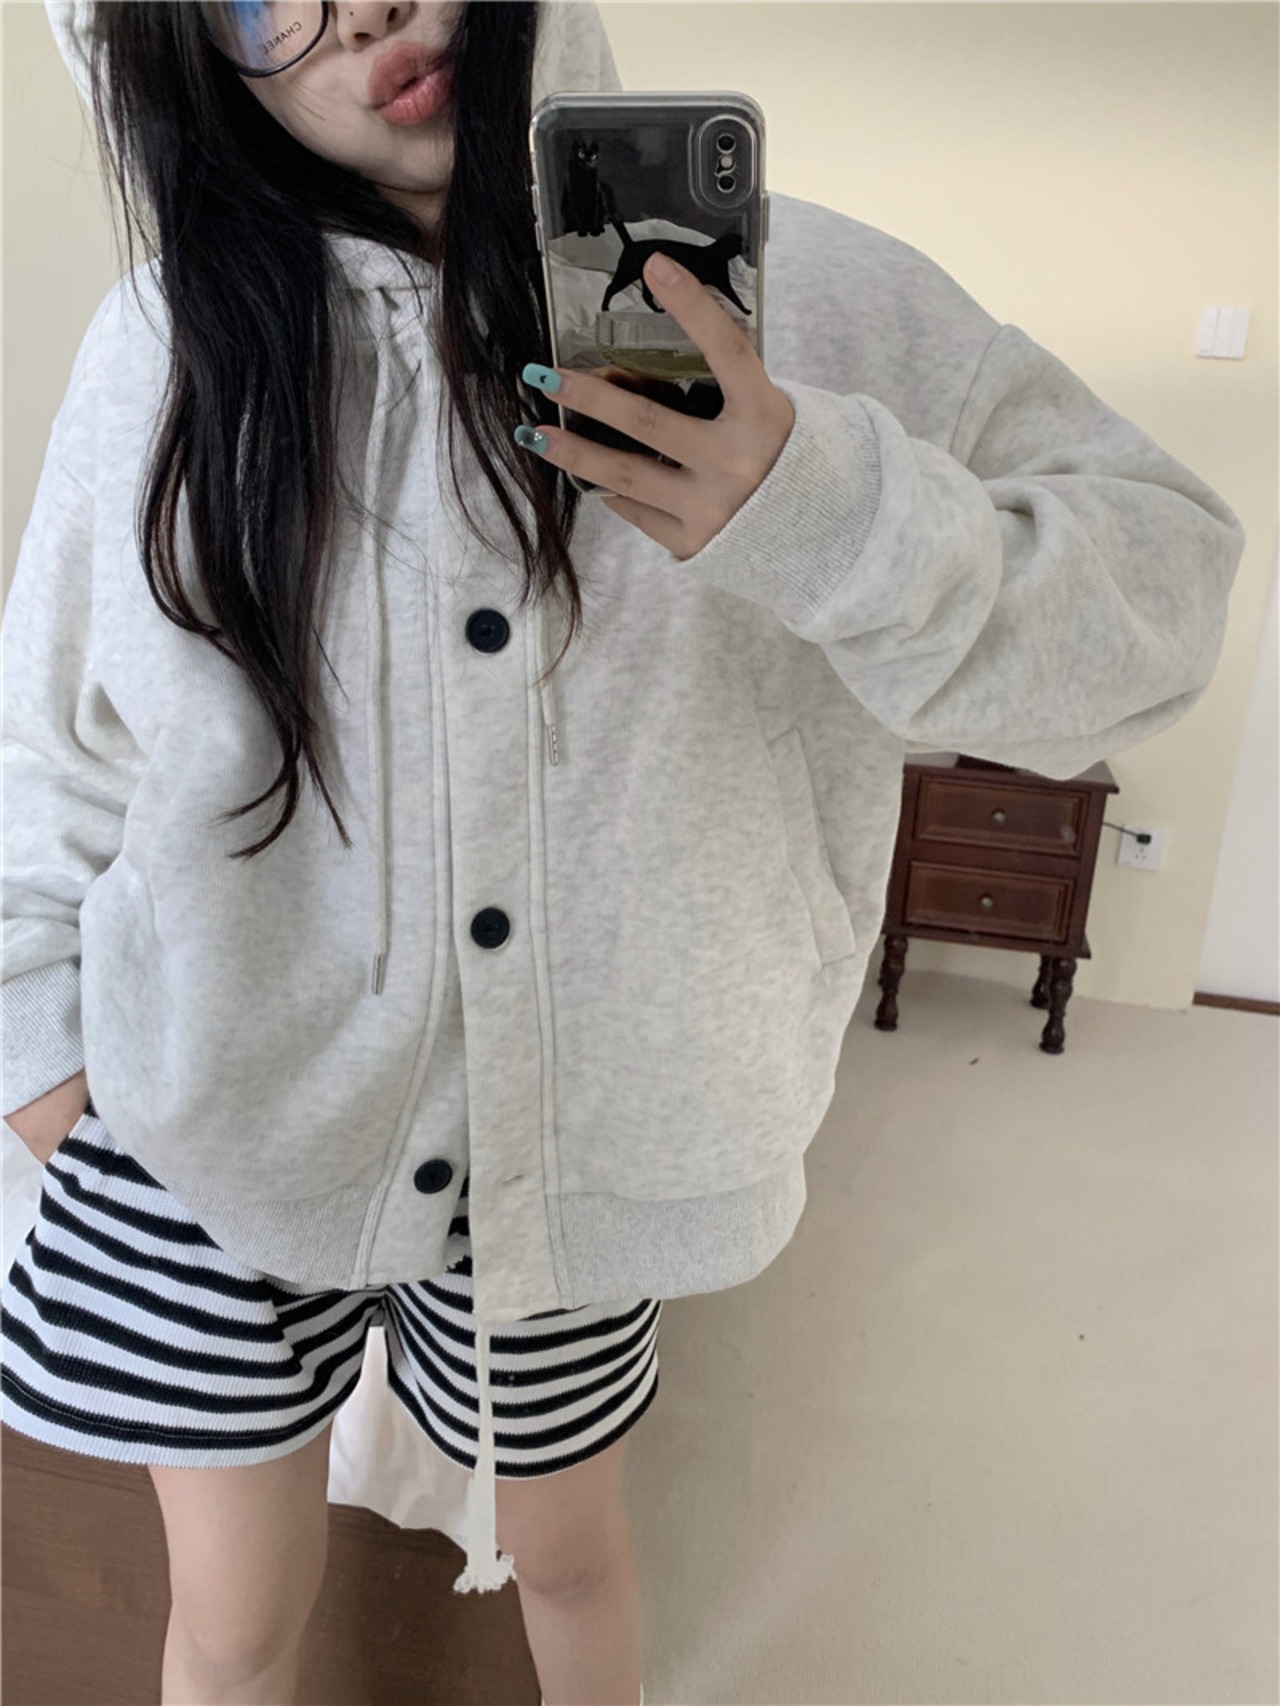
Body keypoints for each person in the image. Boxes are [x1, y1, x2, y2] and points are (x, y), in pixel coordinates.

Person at [1, 3, 1246, 1704]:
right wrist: (43, 1056)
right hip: (213, 1121)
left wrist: (823, 510)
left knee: (571, 1555)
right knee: (228, 1620)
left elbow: (1164, 600)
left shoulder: (814, 299)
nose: (358, 13)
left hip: (590, 1137)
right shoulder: (164, 347)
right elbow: (54, 744)